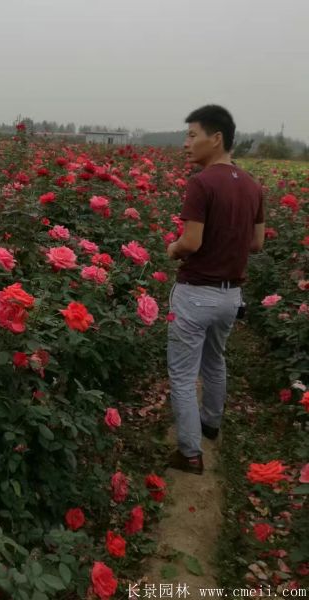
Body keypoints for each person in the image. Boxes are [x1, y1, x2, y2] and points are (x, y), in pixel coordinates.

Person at [165, 104, 265, 475]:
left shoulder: (202, 183)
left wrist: (173, 248)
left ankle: (190, 453)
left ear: (216, 138)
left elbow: (190, 242)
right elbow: (256, 244)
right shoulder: (252, 185)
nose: (186, 143)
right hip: (229, 296)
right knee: (215, 360)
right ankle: (211, 423)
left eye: (192, 135)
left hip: (195, 293)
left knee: (182, 372)